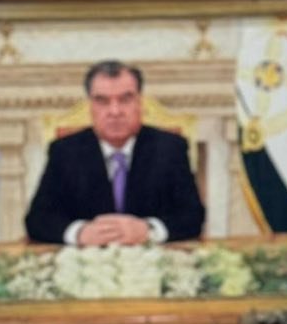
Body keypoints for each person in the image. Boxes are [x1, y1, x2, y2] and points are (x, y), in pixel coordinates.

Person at [23, 60, 205, 246]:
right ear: (90, 106)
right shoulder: (64, 151)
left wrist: (148, 230)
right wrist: (80, 233)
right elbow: (38, 219)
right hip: (87, 259)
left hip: (151, 257)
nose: (115, 111)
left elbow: (192, 216)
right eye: (102, 101)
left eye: (125, 99)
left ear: (140, 103)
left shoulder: (170, 148)